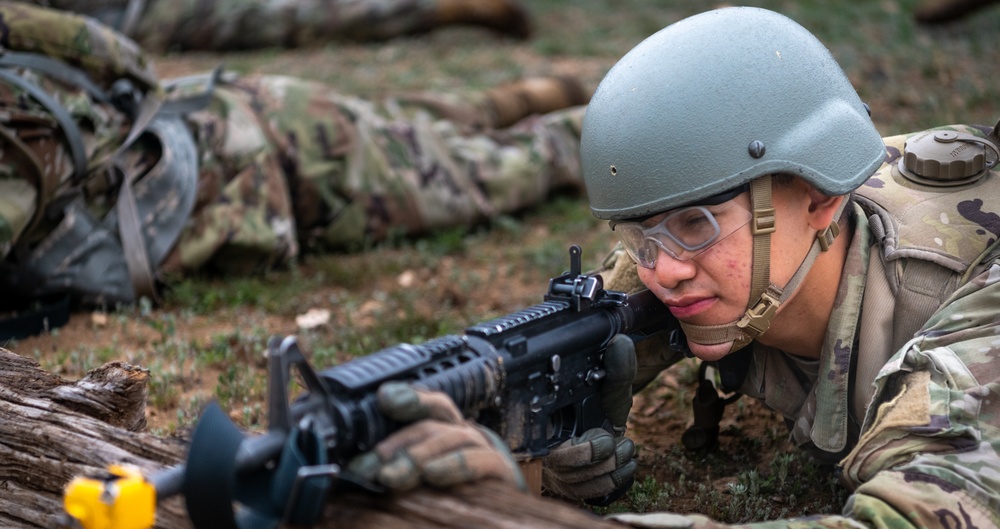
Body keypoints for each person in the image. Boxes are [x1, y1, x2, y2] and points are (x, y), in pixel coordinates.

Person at [346, 5, 1000, 529]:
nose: (665, 271)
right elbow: (573, 337)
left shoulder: (969, 322)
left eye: (697, 225)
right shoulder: (717, 250)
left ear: (818, 200)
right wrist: (526, 463)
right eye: (640, 233)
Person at [0, 1, 587, 322]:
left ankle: (615, 119)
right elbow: (114, 56)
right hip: (226, 111)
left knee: (503, 168)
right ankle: (516, 98)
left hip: (280, 163)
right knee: (410, 130)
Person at [31, 0, 532, 51]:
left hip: (141, 20)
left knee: (294, 18)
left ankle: (432, 10)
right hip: (141, 20)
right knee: (291, 17)